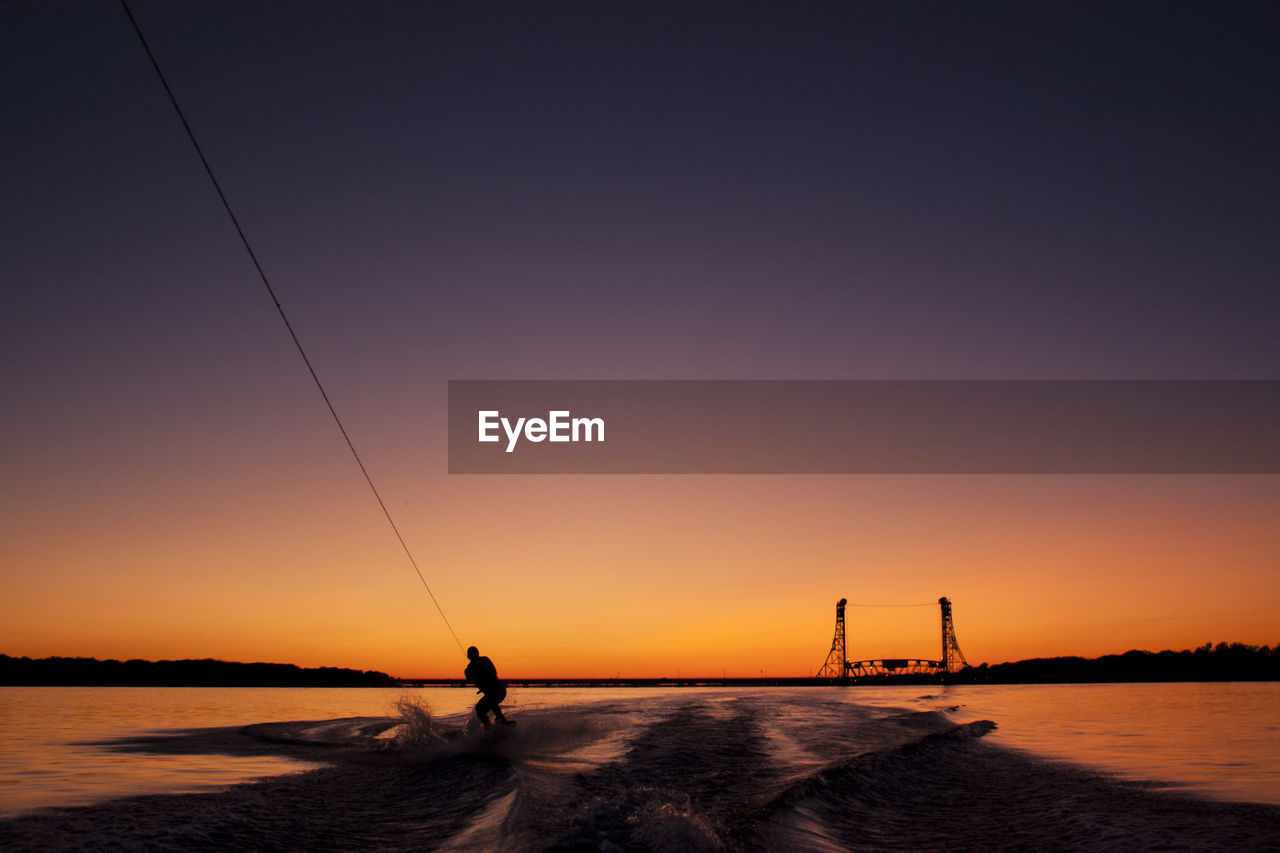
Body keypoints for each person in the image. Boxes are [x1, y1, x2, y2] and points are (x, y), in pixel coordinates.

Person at [464, 645, 510, 726]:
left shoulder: (485, 660)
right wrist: (472, 673)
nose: (473, 656)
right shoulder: (469, 668)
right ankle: (489, 726)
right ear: (468, 656)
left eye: (474, 654)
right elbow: (469, 678)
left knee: (491, 700)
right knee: (479, 709)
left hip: (499, 690)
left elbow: (493, 672)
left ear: (477, 654)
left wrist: (480, 671)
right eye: (471, 655)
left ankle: (503, 720)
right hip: (490, 693)